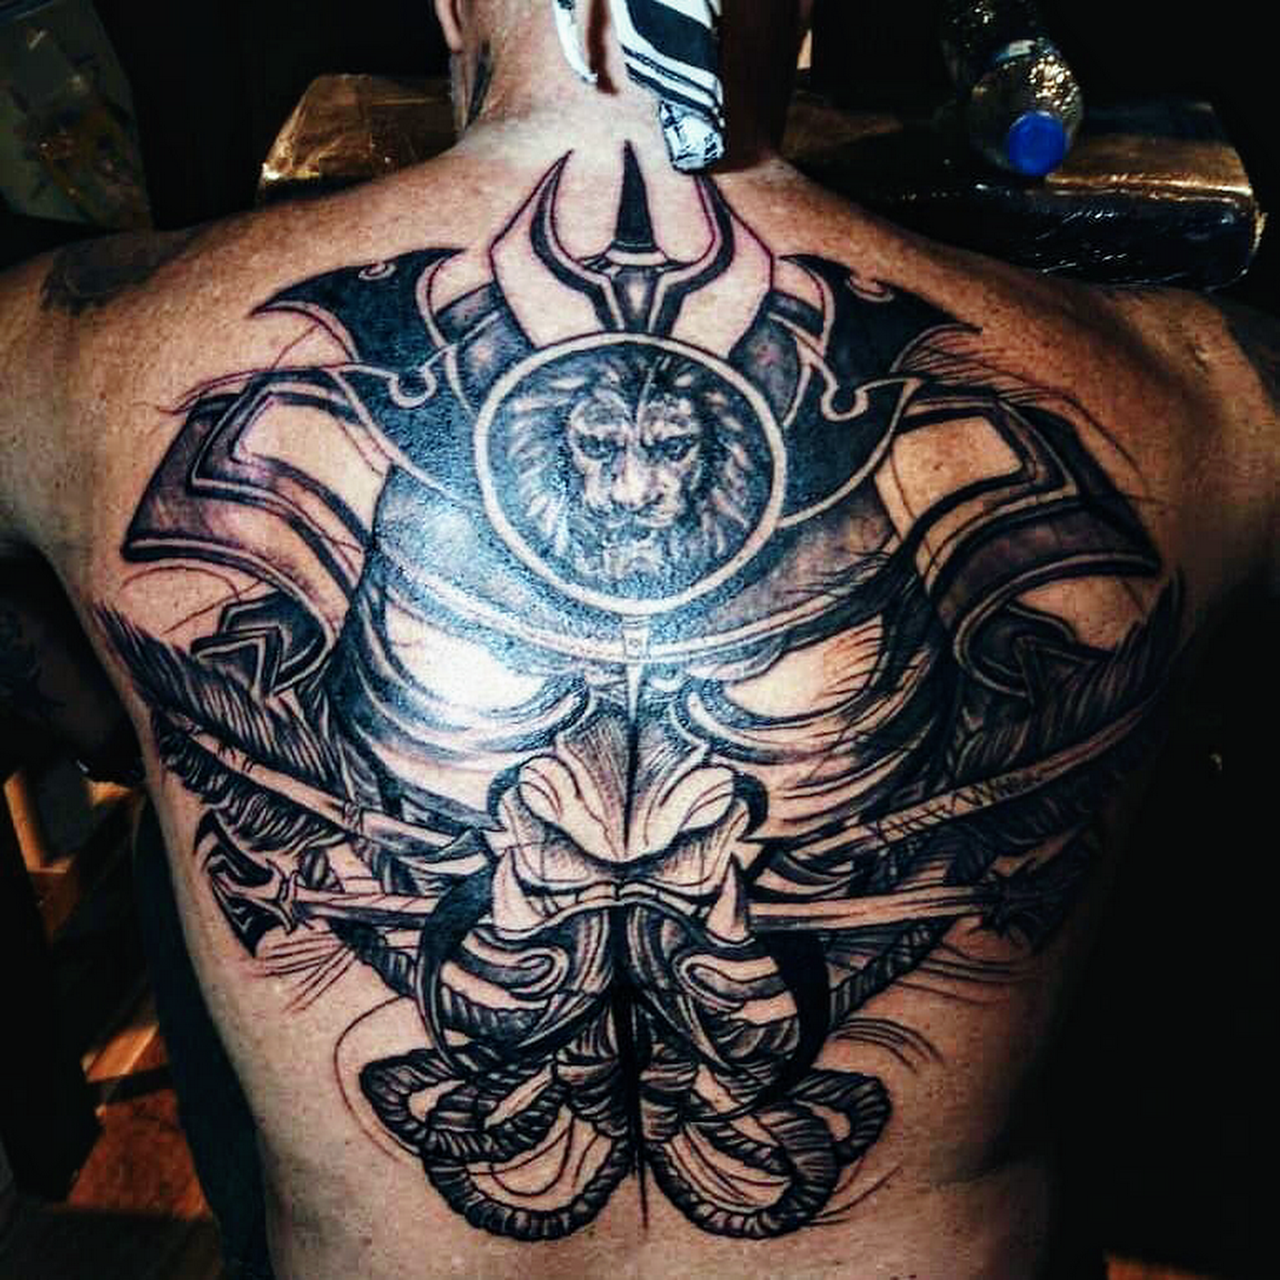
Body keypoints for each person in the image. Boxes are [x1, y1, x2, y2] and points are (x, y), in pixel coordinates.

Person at [0, 1, 1276, 1276]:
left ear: (451, 6)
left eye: (661, 448)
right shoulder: (1185, 394)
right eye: (603, 448)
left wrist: (95, 706)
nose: (628, 487)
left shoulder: (88, 355)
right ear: (805, 16)